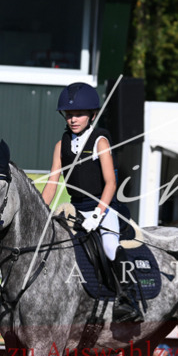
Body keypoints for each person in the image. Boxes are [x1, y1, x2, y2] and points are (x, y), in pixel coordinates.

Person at [42, 81, 141, 323]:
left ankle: (128, 299)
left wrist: (97, 214)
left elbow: (111, 184)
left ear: (92, 115)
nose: (73, 119)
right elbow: (52, 184)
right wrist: (41, 212)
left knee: (109, 246)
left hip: (103, 208)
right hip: (76, 210)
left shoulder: (100, 142)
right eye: (69, 114)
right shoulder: (60, 146)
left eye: (79, 114)